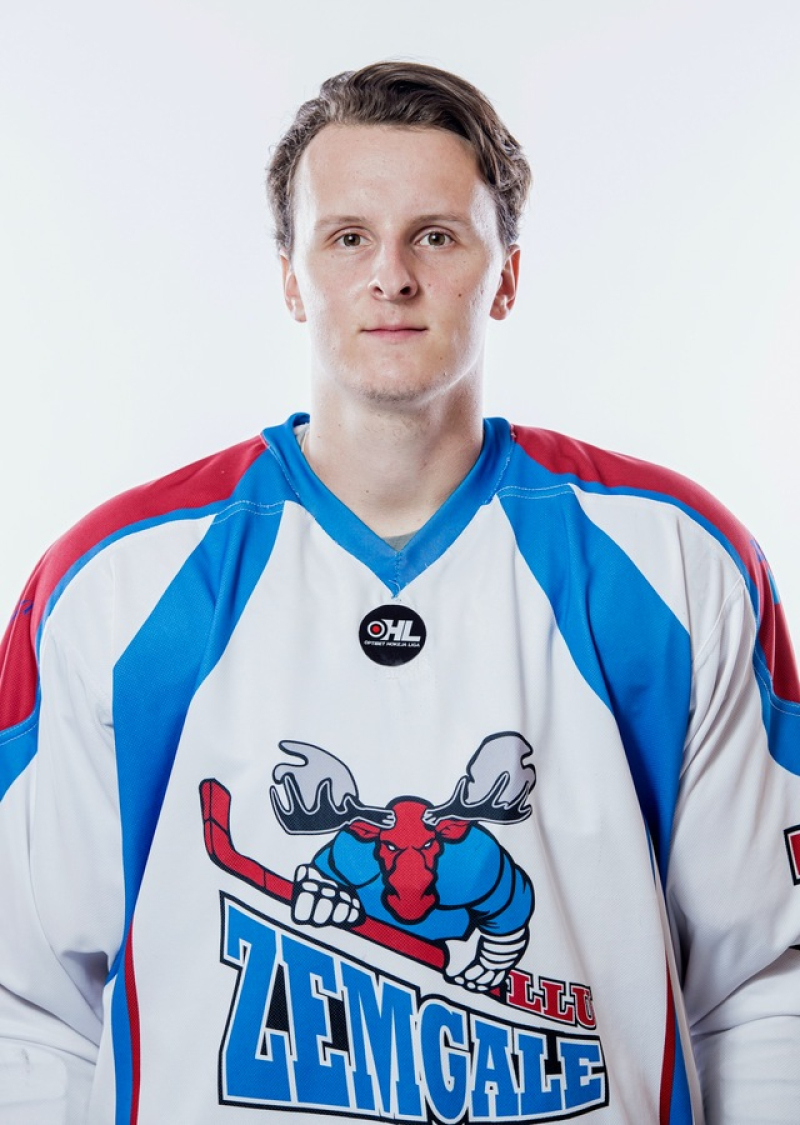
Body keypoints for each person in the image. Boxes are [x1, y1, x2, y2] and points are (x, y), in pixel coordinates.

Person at [1, 60, 798, 1125]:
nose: (391, 277)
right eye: (346, 238)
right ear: (291, 278)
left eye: (436, 235)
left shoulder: (676, 563)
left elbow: (762, 986)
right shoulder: (114, 584)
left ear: (504, 275)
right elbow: (28, 1006)